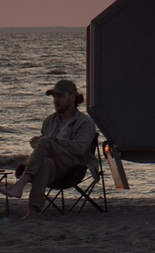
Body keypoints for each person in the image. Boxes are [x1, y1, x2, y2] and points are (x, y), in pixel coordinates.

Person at [20, 80, 101, 209]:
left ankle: (22, 182)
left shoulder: (85, 122)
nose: (56, 100)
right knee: (45, 162)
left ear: (72, 97)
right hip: (53, 166)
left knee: (46, 141)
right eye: (54, 96)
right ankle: (33, 211)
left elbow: (80, 149)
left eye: (60, 96)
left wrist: (51, 141)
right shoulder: (49, 121)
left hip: (74, 166)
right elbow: (47, 145)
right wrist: (37, 142)